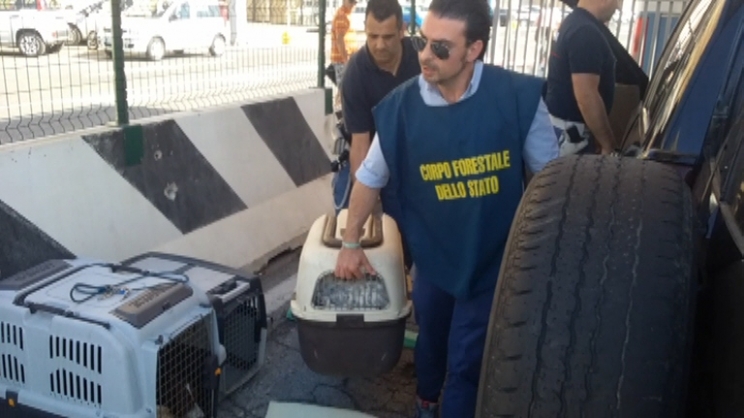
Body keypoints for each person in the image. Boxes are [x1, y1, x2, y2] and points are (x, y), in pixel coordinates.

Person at [333, 0, 559, 416]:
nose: (424, 55)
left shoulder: (517, 99)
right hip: (434, 258)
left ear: (474, 50)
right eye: (424, 42)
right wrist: (350, 242)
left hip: (493, 259)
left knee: (467, 359)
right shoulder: (402, 108)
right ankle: (425, 398)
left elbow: (550, 182)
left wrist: (540, 255)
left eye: (440, 48)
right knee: (432, 339)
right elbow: (369, 176)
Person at [332, 0, 421, 212]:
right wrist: (367, 204)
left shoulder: (422, 57)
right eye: (373, 36)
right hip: (372, 155)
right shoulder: (355, 73)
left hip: (416, 152)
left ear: (402, 31)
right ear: (365, 29)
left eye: (387, 37)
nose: (379, 45)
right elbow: (360, 145)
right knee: (349, 210)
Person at [544, 0, 620, 155]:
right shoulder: (585, 32)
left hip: (562, 131)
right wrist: (607, 143)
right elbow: (586, 96)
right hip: (574, 139)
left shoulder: (572, 23)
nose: (618, 7)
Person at [330, 0, 358, 108]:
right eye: (351, 2)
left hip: (347, 59)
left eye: (355, 2)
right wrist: (346, 59)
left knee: (344, 88)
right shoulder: (342, 16)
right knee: (345, 89)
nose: (353, 5)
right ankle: (340, 110)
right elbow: (340, 39)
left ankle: (339, 108)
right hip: (342, 60)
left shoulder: (347, 15)